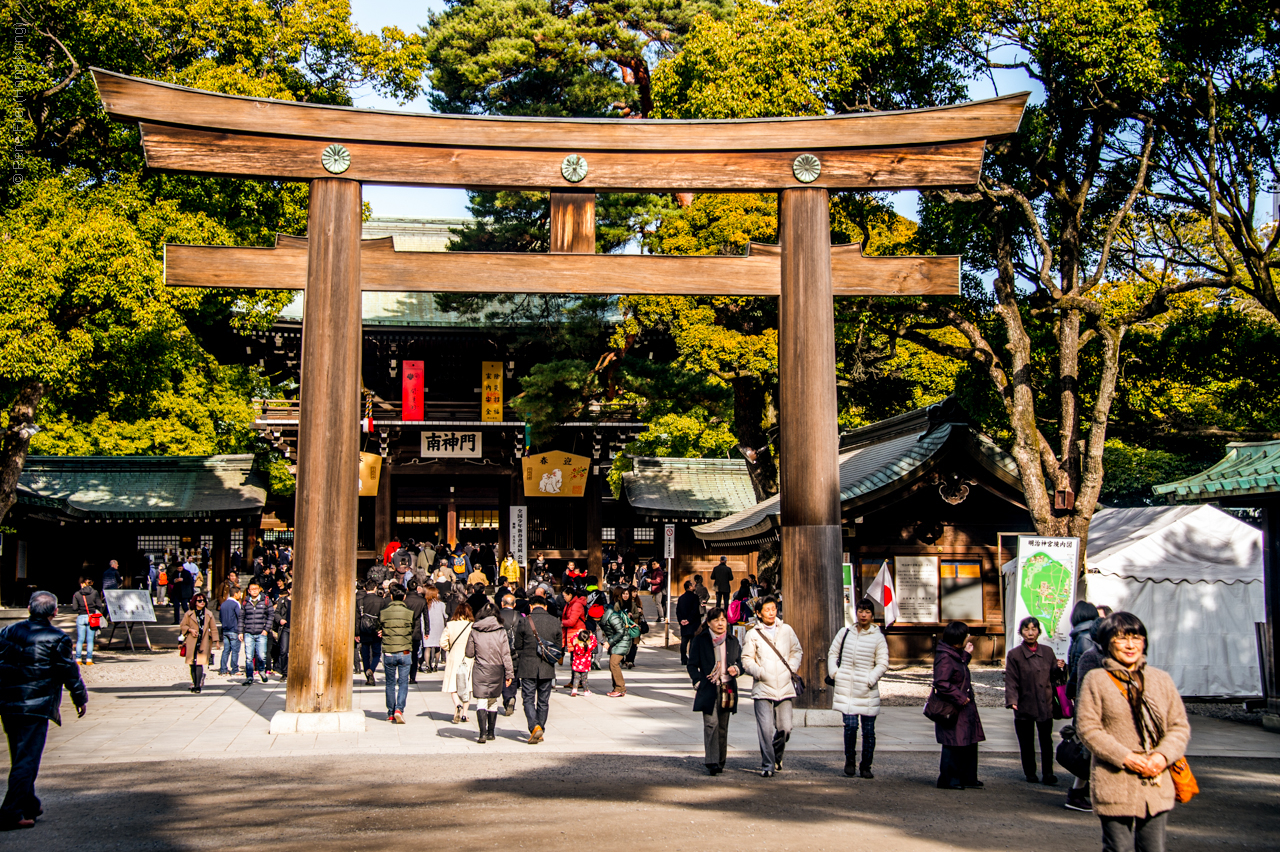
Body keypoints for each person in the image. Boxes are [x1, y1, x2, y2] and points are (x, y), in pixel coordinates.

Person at [1075, 612, 1190, 852]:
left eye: (1136, 638)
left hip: (1156, 779)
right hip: (1115, 778)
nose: (1130, 645)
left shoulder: (1161, 680)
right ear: (1107, 643)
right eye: (1121, 638)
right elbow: (1088, 727)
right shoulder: (1096, 679)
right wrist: (1126, 757)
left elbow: (1178, 726)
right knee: (1119, 848)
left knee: (1153, 848)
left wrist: (1161, 757)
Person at [0, 592, 88, 831]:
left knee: (20, 754)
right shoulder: (57, 638)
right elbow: (69, 671)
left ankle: (30, 803)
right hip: (36, 705)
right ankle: (10, 812)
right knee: (27, 759)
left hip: (9, 702)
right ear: (55, 612)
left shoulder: (8, 631)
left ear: (29, 608)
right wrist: (79, 697)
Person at [741, 596, 802, 777]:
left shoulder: (787, 630)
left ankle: (776, 755)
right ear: (759, 613)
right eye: (767, 609)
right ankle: (767, 764)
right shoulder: (753, 634)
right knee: (765, 729)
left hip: (784, 684)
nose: (771, 612)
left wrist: (790, 668)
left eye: (773, 608)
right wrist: (759, 672)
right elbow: (746, 659)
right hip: (763, 686)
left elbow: (796, 650)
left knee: (785, 728)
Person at [829, 598, 889, 778]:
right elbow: (833, 652)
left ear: (872, 615)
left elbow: (883, 663)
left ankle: (866, 765)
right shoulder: (845, 632)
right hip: (846, 685)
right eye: (861, 611)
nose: (863, 615)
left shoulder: (878, 637)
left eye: (867, 612)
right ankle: (850, 760)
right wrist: (835, 673)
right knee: (850, 726)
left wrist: (871, 679)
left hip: (866, 688)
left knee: (868, 730)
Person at [1006, 615, 1067, 785]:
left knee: (1046, 741)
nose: (1030, 632)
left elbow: (1054, 677)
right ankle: (1030, 772)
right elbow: (1011, 679)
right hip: (1024, 702)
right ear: (1021, 632)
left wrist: (1060, 668)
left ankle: (1048, 773)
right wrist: (1012, 700)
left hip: (1045, 702)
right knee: (1026, 742)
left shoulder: (1047, 652)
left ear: (1039, 631)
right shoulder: (1014, 654)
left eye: (1033, 629)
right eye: (1026, 629)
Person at [687, 606, 742, 775]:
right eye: (716, 620)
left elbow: (740, 663)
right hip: (708, 687)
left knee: (723, 726)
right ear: (709, 623)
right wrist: (697, 681)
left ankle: (720, 760)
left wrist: (736, 669)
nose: (720, 623)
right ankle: (711, 761)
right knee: (711, 724)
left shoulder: (732, 641)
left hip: (727, 688)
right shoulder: (701, 640)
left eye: (723, 620)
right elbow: (692, 664)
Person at [933, 621, 985, 790]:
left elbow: (958, 669)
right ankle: (949, 778)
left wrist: (966, 655)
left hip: (963, 705)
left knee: (968, 740)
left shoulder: (954, 653)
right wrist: (959, 696)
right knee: (953, 742)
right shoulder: (945, 656)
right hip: (953, 706)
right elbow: (941, 682)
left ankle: (967, 776)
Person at [513, 594, 562, 744]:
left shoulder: (524, 621)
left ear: (531, 606)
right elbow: (559, 647)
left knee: (528, 698)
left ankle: (534, 726)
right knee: (543, 700)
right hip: (547, 666)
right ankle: (540, 727)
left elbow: (517, 645)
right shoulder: (555, 621)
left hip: (528, 665)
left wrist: (524, 656)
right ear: (545, 607)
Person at [465, 602, 514, 743]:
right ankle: (491, 732)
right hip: (497, 669)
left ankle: (482, 733)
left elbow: (469, 653)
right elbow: (506, 654)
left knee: (481, 700)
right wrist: (509, 673)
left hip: (480, 668)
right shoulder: (501, 631)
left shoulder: (475, 630)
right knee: (493, 700)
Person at [378, 583, 414, 724]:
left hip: (389, 651)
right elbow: (413, 629)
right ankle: (400, 708)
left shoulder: (383, 612)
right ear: (404, 596)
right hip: (405, 650)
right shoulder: (409, 613)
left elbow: (379, 627)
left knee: (390, 683)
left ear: (391, 596)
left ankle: (391, 712)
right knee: (404, 682)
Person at [601, 586, 639, 697]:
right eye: (624, 594)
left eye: (627, 593)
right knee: (613, 664)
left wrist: (609, 642)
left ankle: (620, 688)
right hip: (619, 639)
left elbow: (620, 631)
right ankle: (617, 688)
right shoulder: (616, 606)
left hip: (623, 638)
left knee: (614, 663)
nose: (626, 596)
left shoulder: (631, 605)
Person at [441, 603, 476, 724]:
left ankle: (457, 705)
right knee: (467, 686)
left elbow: (442, 642)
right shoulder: (472, 626)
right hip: (468, 658)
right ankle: (465, 714)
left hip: (454, 657)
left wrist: (449, 648)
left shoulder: (450, 625)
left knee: (453, 685)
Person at [178, 593, 220, 693]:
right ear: (194, 602)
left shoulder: (208, 614)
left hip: (203, 640)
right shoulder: (189, 613)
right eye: (199, 601)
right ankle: (194, 682)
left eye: (203, 601)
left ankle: (197, 686)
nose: (202, 603)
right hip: (191, 640)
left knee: (199, 663)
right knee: (192, 663)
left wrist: (216, 641)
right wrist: (190, 630)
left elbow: (213, 628)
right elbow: (182, 626)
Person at [240, 581, 275, 686]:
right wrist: (240, 631)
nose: (254, 591)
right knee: (249, 656)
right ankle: (249, 676)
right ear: (249, 591)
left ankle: (261, 670)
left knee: (261, 655)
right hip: (249, 632)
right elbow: (241, 617)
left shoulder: (266, 601)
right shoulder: (246, 602)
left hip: (261, 632)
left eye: (256, 589)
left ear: (259, 589)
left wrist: (266, 629)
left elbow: (271, 615)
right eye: (252, 589)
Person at [356, 579, 386, 686]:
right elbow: (383, 617)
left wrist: (357, 633)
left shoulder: (360, 601)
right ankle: (372, 669)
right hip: (377, 629)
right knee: (377, 653)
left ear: (365, 588)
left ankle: (368, 676)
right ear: (375, 588)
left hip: (364, 629)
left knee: (365, 654)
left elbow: (357, 618)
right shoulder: (381, 601)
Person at [70, 578, 103, 666]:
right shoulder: (94, 592)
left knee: (80, 639)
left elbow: (74, 608)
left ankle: (78, 659)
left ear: (82, 584)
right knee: (90, 640)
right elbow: (99, 605)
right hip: (91, 617)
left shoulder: (77, 594)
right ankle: (89, 659)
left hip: (81, 617)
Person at [405, 582, 428, 684]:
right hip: (416, 629)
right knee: (414, 654)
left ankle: (404, 675)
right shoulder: (422, 600)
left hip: (405, 629)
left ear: (407, 588)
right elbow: (426, 617)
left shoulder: (405, 600)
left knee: (405, 653)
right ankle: (412, 677)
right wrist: (427, 630)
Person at [218, 588, 243, 676]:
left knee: (226, 650)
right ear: (235, 594)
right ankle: (234, 669)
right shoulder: (236, 604)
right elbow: (239, 616)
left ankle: (223, 668)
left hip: (225, 630)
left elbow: (220, 617)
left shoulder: (223, 604)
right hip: (234, 629)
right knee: (235, 650)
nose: (240, 595)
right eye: (239, 593)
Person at [422, 585, 447, 673]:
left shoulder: (426, 604)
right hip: (439, 627)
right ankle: (436, 664)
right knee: (437, 647)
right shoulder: (441, 604)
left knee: (427, 647)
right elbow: (445, 615)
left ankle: (428, 666)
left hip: (428, 627)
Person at [676, 580, 701, 665]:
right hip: (693, 623)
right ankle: (691, 658)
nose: (695, 586)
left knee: (684, 642)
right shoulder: (695, 597)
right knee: (693, 642)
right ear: (690, 587)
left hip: (683, 623)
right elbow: (695, 611)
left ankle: (683, 658)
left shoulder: (681, 598)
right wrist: (689, 620)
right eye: (693, 585)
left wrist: (681, 620)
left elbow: (678, 611)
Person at [568, 625, 597, 696]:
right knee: (584, 679)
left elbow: (572, 638)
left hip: (576, 665)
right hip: (585, 666)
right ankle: (586, 691)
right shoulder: (588, 646)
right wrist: (591, 635)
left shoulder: (576, 645)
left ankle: (574, 689)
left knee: (576, 678)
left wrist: (578, 633)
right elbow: (594, 642)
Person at [271, 584, 291, 681]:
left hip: (296, 629)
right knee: (283, 650)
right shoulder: (283, 601)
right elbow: (276, 613)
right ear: (288, 590)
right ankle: (284, 672)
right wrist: (280, 620)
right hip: (285, 628)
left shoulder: (300, 600)